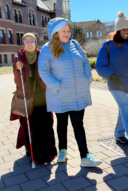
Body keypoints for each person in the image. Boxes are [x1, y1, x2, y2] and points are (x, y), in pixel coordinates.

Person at [38, 18, 102, 167]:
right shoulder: (47, 49)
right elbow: (43, 71)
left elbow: (85, 62)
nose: (67, 34)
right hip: (60, 95)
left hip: (79, 92)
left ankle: (85, 157)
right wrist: (58, 86)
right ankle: (63, 152)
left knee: (78, 124)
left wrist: (88, 79)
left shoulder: (75, 45)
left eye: (68, 31)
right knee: (62, 123)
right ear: (55, 32)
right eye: (63, 31)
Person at [95, 11, 128, 153]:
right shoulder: (108, 46)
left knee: (123, 110)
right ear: (117, 30)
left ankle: (118, 134)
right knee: (126, 108)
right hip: (116, 84)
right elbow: (99, 66)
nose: (126, 32)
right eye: (123, 29)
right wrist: (111, 76)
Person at [12, 33, 57, 164]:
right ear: (23, 43)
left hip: (43, 96)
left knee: (47, 125)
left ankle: (49, 153)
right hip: (27, 98)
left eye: (32, 40)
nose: (29, 43)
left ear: (36, 42)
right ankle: (35, 153)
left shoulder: (42, 55)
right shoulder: (18, 57)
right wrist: (17, 69)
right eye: (26, 41)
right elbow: (17, 81)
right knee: (32, 126)